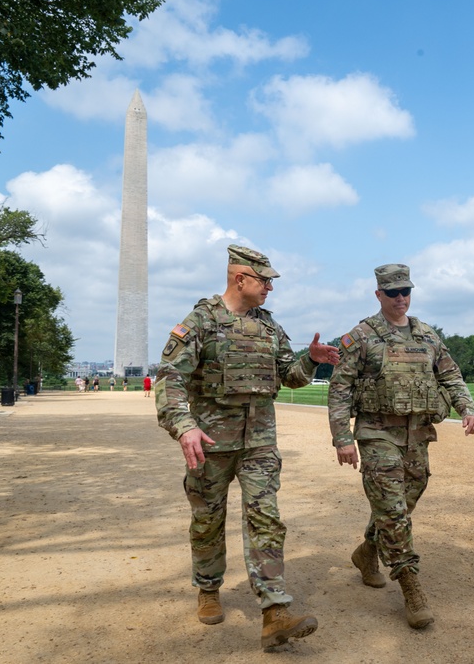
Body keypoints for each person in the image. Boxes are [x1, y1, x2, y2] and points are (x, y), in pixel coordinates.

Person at [155, 244, 339, 650]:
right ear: (240, 279)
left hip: (259, 443)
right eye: (264, 281)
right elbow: (170, 378)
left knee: (266, 519)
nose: (270, 288)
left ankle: (275, 612)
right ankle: (208, 588)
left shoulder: (270, 328)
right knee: (207, 520)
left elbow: (290, 376)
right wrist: (184, 426)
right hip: (209, 445)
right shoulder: (201, 321)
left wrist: (311, 360)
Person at [327, 264, 474, 629]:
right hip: (377, 433)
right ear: (378, 294)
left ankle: (367, 552)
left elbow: (451, 375)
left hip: (417, 435)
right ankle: (411, 586)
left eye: (406, 291)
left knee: (401, 503)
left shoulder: (427, 335)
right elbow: (340, 388)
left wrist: (468, 409)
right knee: (394, 510)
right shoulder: (362, 336)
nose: (401, 298)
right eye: (393, 292)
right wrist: (342, 438)